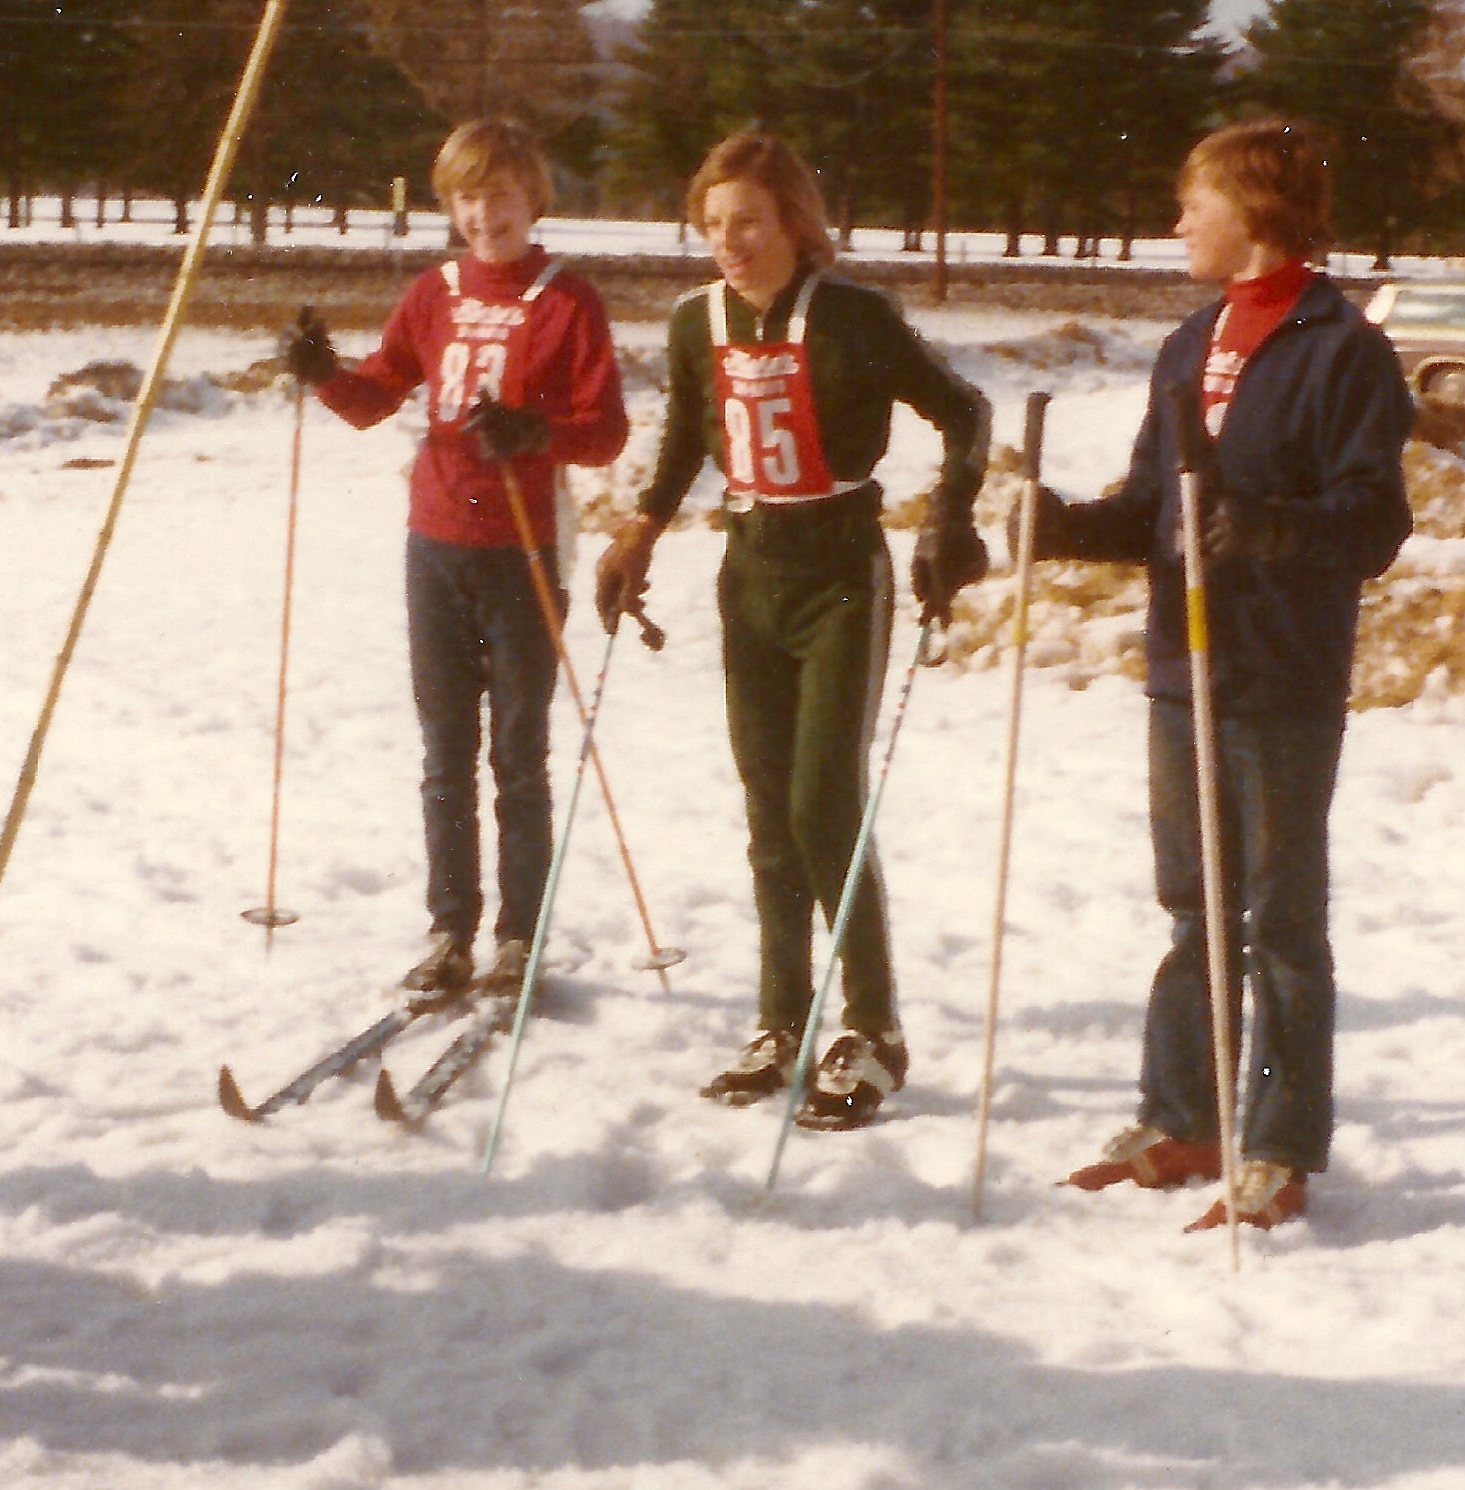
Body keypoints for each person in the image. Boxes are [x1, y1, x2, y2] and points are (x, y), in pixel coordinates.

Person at [1028, 118, 1412, 1230]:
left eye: (1193, 201)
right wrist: (1065, 528)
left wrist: (1270, 527)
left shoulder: (1343, 348)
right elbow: (1157, 506)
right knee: (1193, 907)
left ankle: (1279, 1143)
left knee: (1279, 917)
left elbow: (1373, 522)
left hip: (1282, 673)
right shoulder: (1191, 341)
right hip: (1183, 664)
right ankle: (1185, 1116)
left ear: (1254, 208)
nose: (1177, 221)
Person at [594, 129, 991, 1130]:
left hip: (840, 572)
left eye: (749, 222)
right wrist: (638, 533)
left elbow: (964, 410)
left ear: (794, 223)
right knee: (769, 810)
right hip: (750, 571)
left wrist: (950, 513)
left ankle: (875, 1026)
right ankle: (780, 1018)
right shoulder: (698, 321)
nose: (730, 242)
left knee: (823, 801)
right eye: (713, 224)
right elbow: (685, 440)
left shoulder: (853, 315)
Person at [283, 118, 627, 1000]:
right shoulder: (433, 291)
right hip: (435, 545)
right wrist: (322, 371)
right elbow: (374, 396)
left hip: (522, 548)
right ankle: (449, 930)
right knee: (444, 753)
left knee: (517, 754)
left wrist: (535, 430)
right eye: (468, 197)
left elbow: (604, 431)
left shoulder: (566, 298)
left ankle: (518, 937)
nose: (485, 214)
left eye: (501, 194)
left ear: (533, 197)